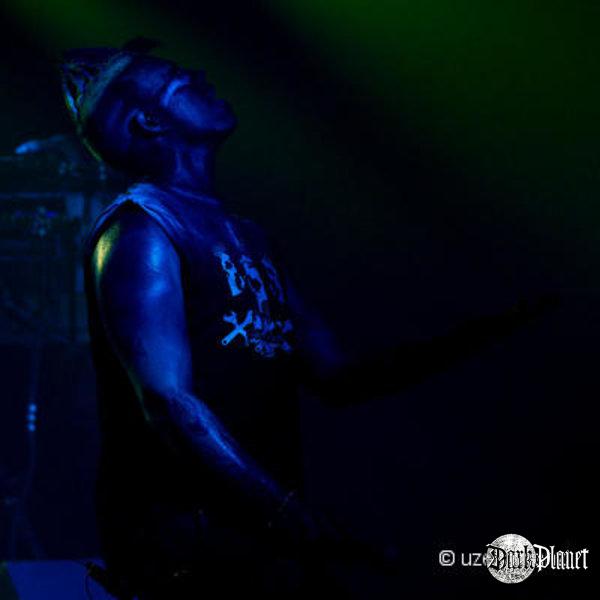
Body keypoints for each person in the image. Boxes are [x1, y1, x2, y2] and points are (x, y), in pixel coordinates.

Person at [60, 40, 552, 599]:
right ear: (149, 121)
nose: (199, 74)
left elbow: (339, 377)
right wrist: (290, 514)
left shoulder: (246, 233)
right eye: (178, 80)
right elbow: (168, 403)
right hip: (188, 547)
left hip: (257, 539)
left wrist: (485, 328)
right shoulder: (140, 230)